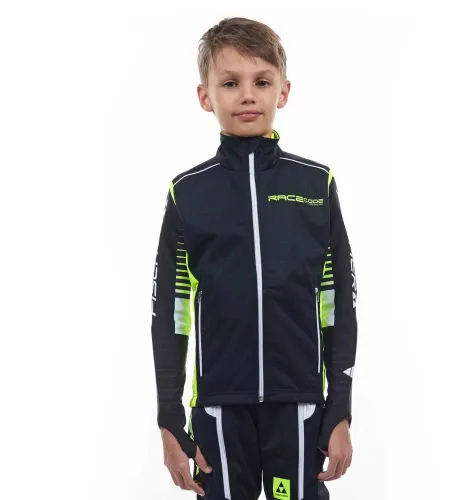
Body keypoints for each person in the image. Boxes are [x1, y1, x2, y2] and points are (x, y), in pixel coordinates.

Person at [150, 16, 358, 500]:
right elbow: (171, 313)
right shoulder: (188, 193)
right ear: (205, 96)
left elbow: (337, 304)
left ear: (283, 91)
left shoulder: (316, 185)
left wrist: (340, 409)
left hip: (299, 406)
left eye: (262, 82)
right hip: (219, 408)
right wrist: (169, 419)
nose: (247, 95)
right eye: (230, 83)